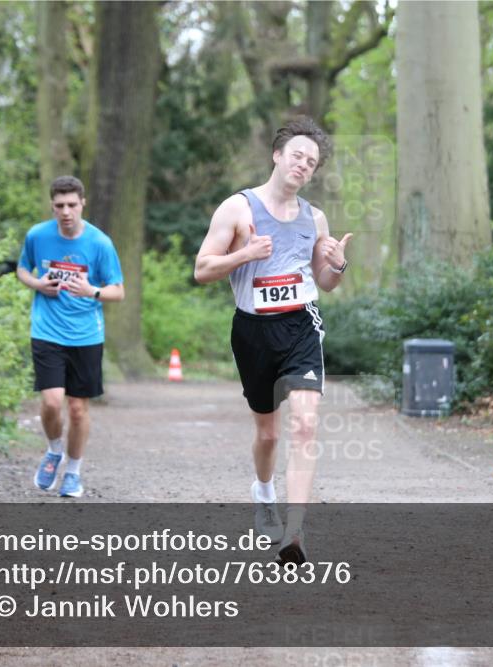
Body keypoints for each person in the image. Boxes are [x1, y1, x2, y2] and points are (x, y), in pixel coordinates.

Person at [194, 117, 351, 564]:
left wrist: (337, 266)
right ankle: (263, 491)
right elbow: (202, 269)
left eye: (312, 162)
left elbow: (325, 281)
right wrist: (245, 254)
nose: (303, 165)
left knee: (305, 424)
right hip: (253, 332)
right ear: (278, 156)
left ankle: (294, 532)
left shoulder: (314, 218)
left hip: (301, 324)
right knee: (267, 433)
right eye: (297, 155)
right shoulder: (237, 209)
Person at [16, 176, 124, 498]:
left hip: (86, 335)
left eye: (72, 205)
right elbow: (22, 269)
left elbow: (118, 291)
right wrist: (37, 284)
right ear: (52, 206)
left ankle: (74, 472)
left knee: (78, 409)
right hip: (47, 330)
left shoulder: (100, 243)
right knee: (51, 402)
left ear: (82, 204)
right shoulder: (38, 235)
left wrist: (92, 291)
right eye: (60, 205)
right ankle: (53, 451)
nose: (66, 212)